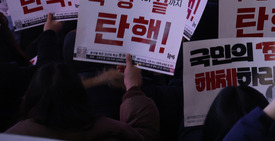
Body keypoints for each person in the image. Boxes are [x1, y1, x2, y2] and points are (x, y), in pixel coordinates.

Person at [6, 54, 160, 140]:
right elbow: (143, 135)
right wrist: (133, 87)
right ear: (81, 94)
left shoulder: (13, 136)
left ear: (31, 97)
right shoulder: (111, 132)